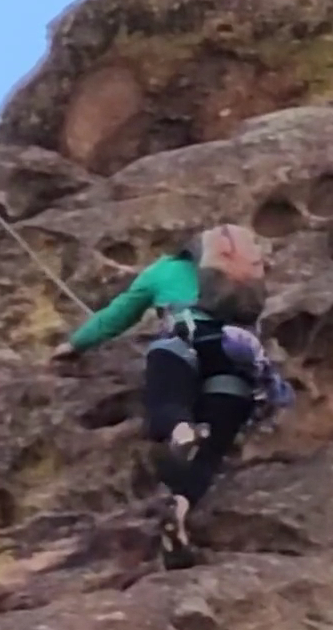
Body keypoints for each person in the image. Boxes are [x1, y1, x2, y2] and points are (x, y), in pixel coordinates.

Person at [53, 225, 293, 568]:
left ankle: (181, 430)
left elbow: (117, 315)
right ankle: (179, 507)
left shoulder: (163, 270)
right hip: (230, 359)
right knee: (214, 447)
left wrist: (74, 345)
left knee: (168, 399)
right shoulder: (243, 273)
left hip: (180, 344)